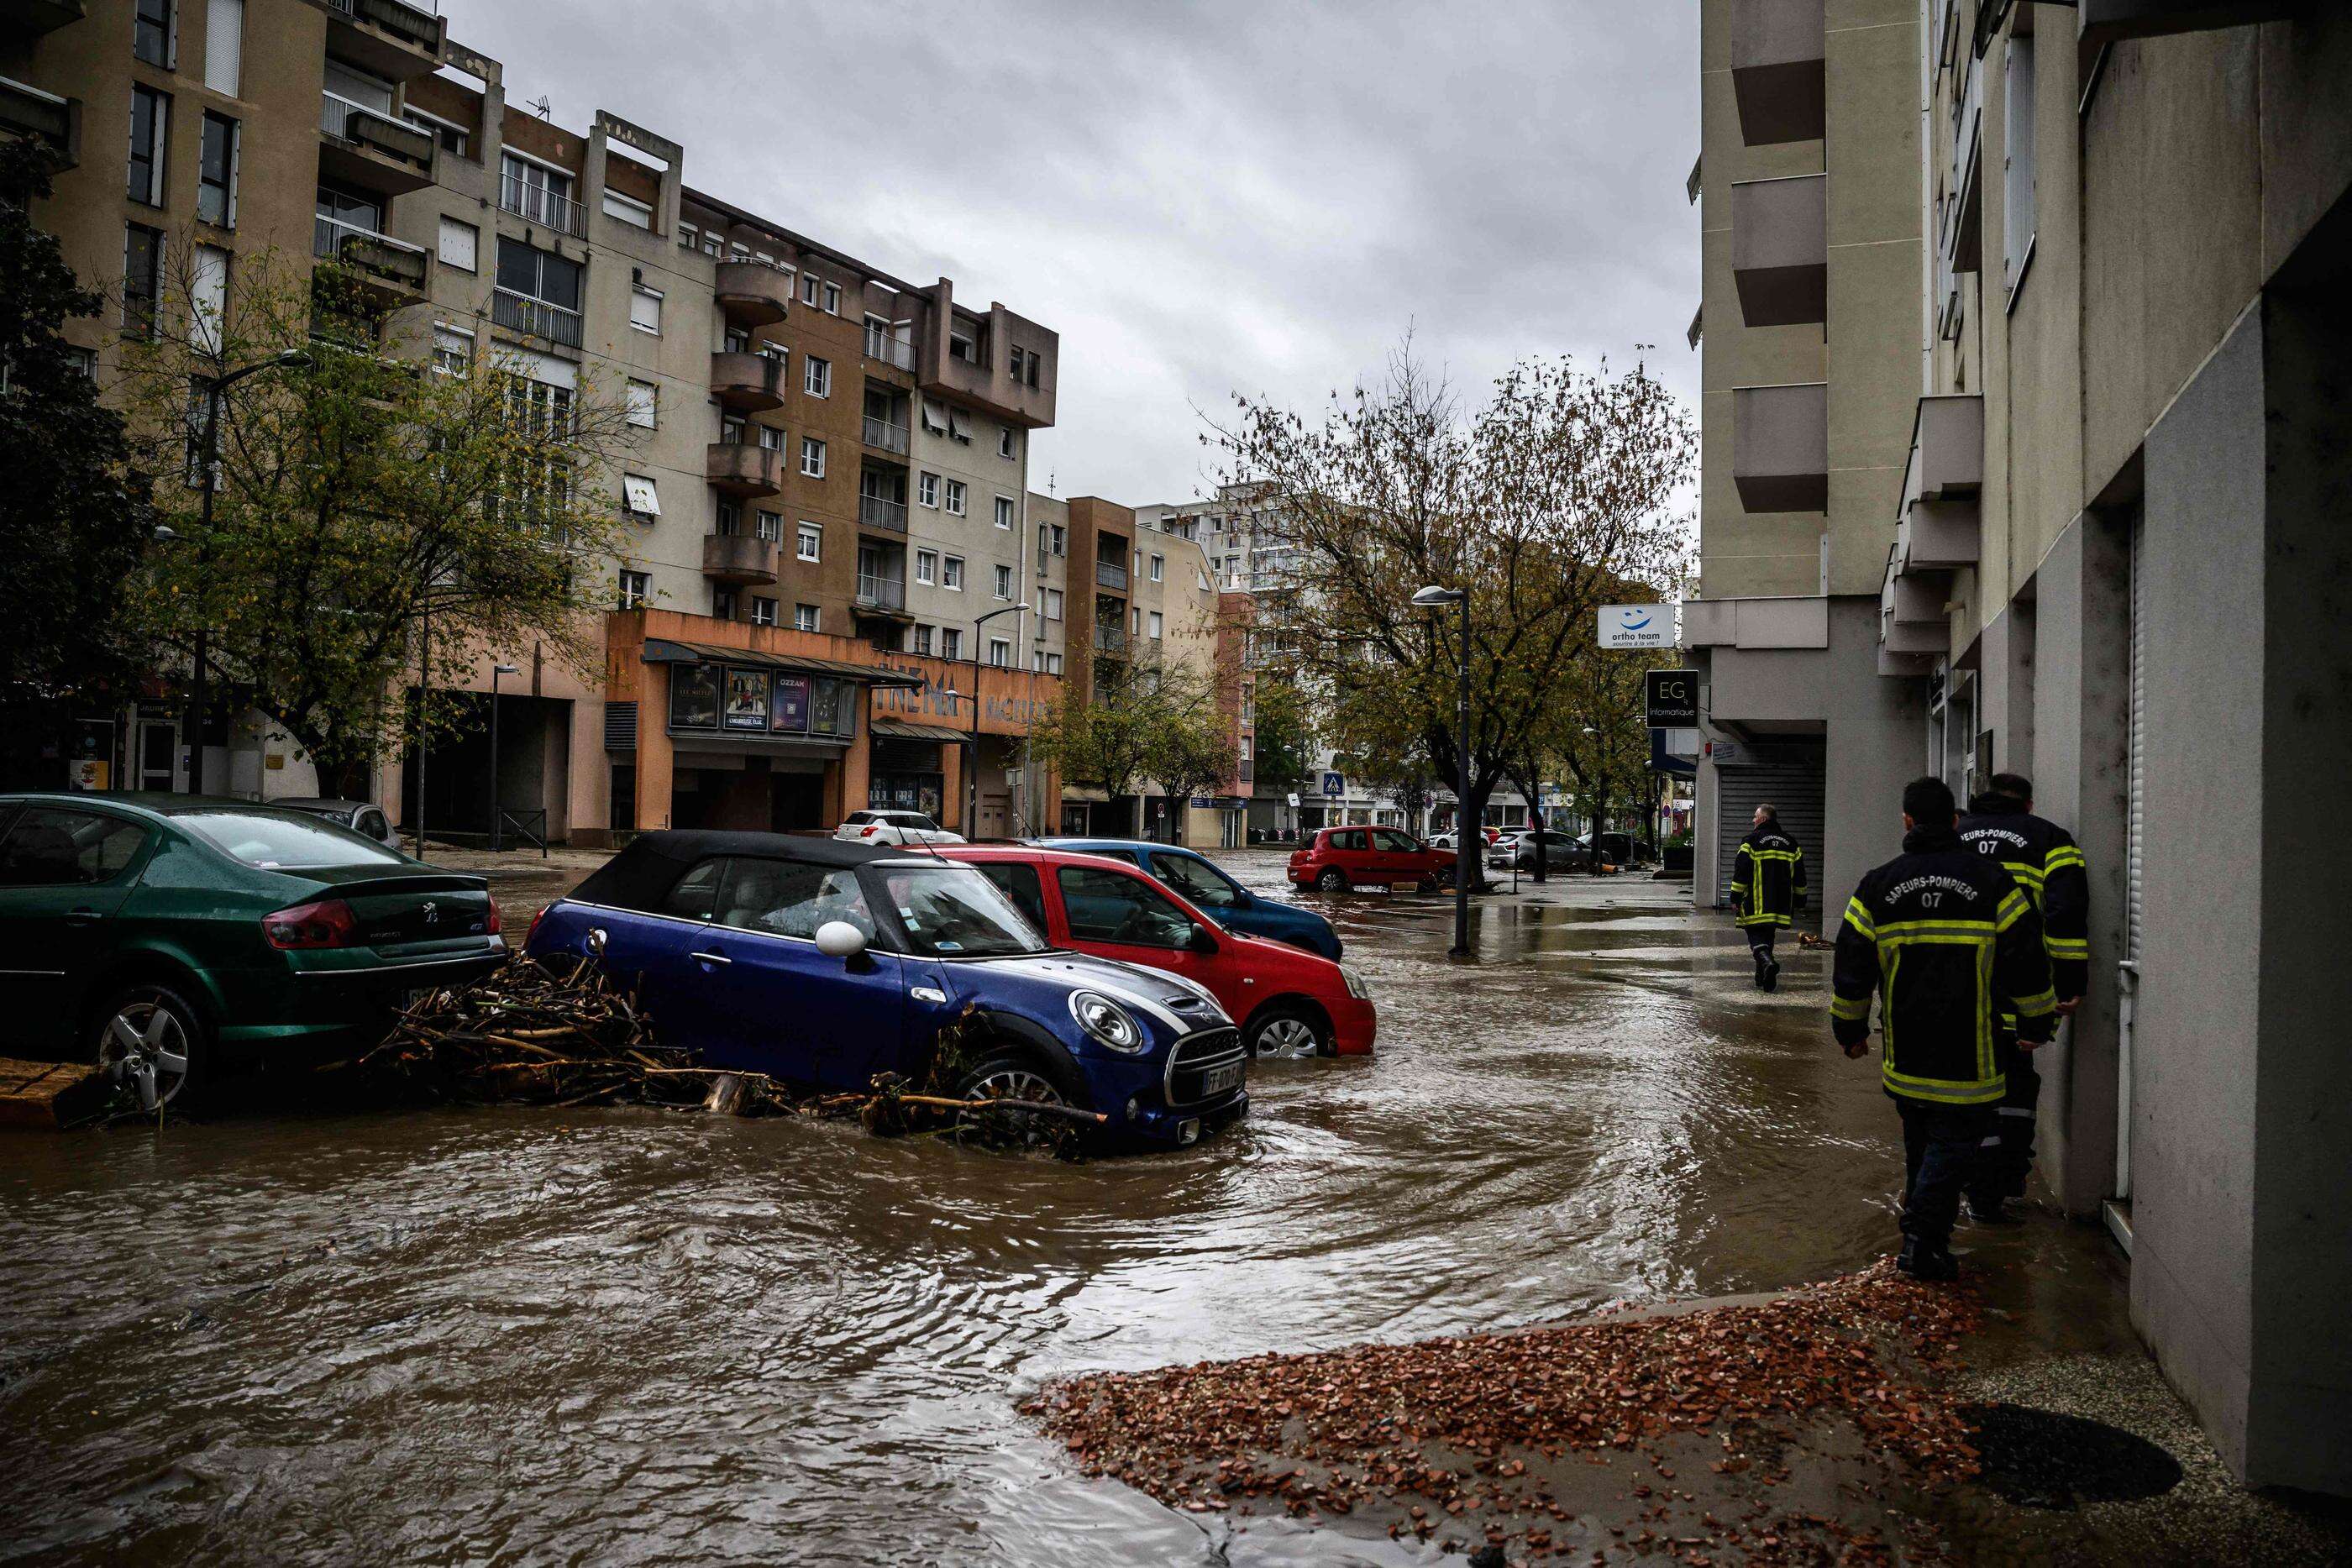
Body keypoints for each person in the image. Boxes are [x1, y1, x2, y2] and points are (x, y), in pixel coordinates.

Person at [1831, 776, 2059, 1282]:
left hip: (1906, 1053)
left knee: (1922, 1144)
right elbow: (2028, 963)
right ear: (1956, 821)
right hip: (1971, 1053)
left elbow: (1851, 966)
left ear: (1907, 821)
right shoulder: (1994, 882)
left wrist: (1848, 1030)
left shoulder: (1877, 885)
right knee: (1955, 1146)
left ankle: (1925, 1239)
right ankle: (1921, 1240)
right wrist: (2036, 1023)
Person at [1957, 773, 2091, 1224]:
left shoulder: (1950, 835)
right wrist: (2070, 983)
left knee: (1957, 1090)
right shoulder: (2051, 839)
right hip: (2018, 991)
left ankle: (1955, 1185)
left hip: (1952, 994)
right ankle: (1994, 1190)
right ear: (2028, 805)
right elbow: (2065, 914)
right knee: (2014, 1085)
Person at [1730, 804, 1806, 991]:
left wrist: (1735, 896)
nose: (1753, 820)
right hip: (1780, 903)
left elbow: (1741, 871)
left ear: (1763, 819)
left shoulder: (1751, 842)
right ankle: (1763, 977)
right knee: (1768, 935)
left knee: (1755, 935)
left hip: (1756, 902)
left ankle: (1768, 962)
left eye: (1755, 816)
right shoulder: (1791, 843)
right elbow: (1800, 875)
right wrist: (1800, 898)